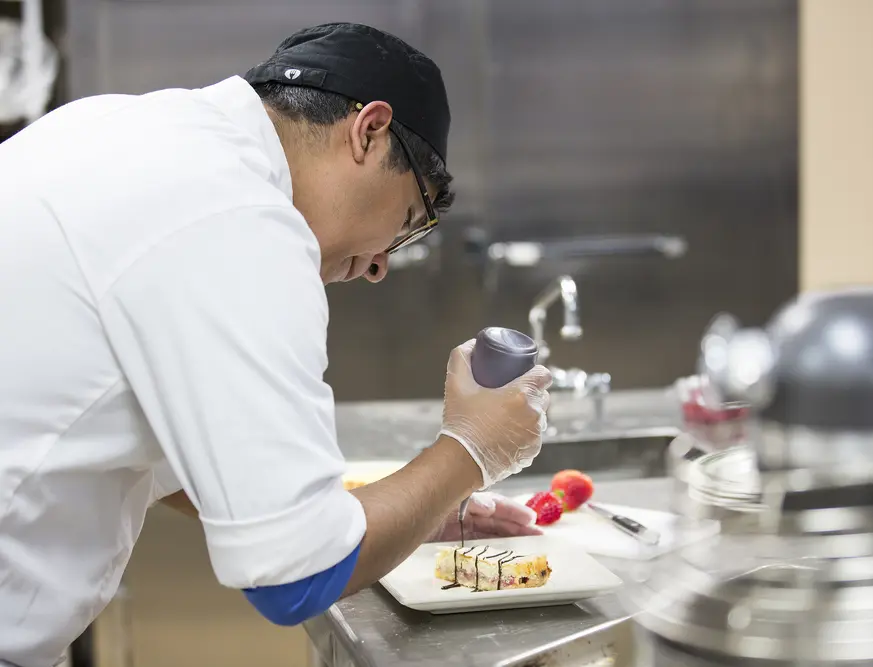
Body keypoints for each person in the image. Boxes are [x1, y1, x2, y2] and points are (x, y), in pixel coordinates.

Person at [0, 22, 552, 667]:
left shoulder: (113, 129)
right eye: (405, 222)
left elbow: (197, 466)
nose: (378, 265)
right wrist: (471, 450)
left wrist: (407, 512)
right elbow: (296, 577)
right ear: (369, 131)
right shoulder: (239, 218)